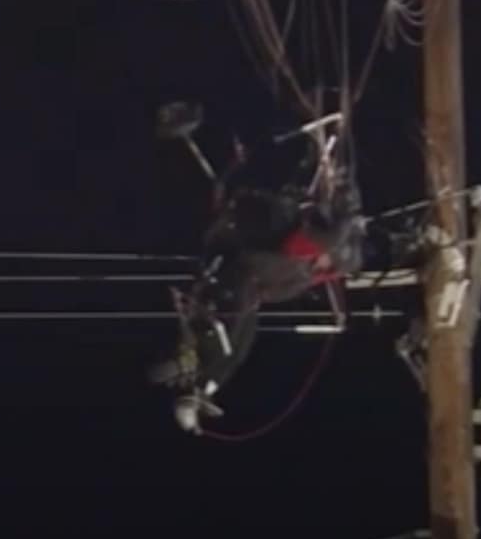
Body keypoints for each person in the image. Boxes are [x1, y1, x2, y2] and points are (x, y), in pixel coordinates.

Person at [148, 119, 370, 434]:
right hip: (238, 277)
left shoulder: (308, 272)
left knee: (240, 349)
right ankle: (191, 372)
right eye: (327, 261)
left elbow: (344, 259)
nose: (324, 265)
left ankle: (203, 389)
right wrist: (348, 214)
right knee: (228, 338)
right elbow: (331, 239)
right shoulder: (300, 247)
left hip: (248, 288)